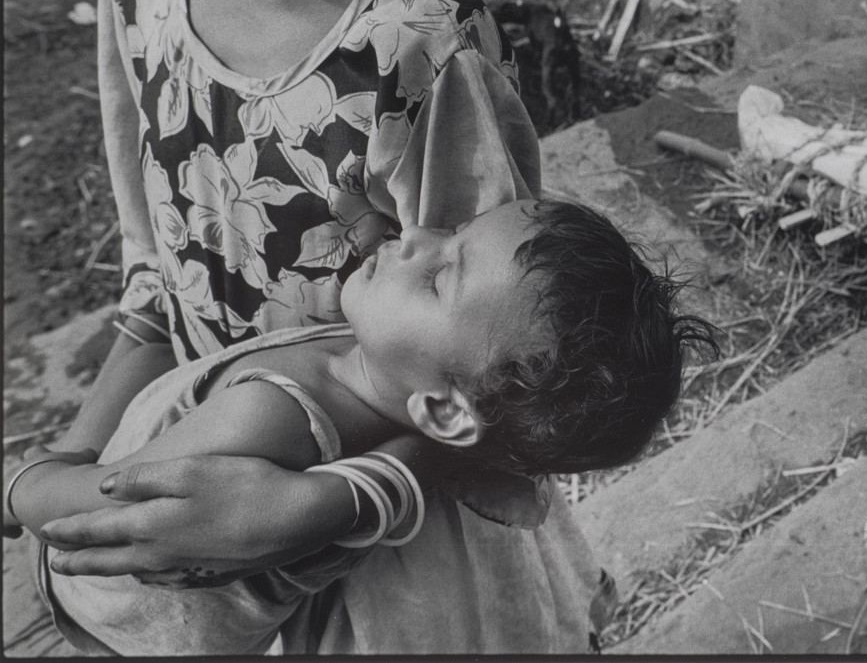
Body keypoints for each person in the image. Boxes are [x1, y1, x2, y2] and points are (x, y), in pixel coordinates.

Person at [21, 0, 616, 653]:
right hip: (194, 491)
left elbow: (504, 375)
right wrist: (78, 459)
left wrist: (320, 504)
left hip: (392, 559)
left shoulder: (419, 36)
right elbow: (158, 277)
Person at [6, 199, 716, 655]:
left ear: (446, 410)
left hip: (110, 607)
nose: (416, 236)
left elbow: (99, 514)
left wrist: (25, 482)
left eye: (440, 278)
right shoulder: (407, 399)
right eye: (453, 233)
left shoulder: (273, 415)